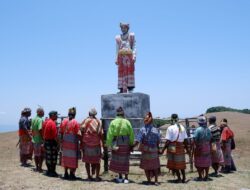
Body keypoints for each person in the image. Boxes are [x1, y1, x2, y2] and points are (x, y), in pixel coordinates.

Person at [106, 107, 134, 183]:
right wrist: (131, 144)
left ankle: (120, 177)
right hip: (125, 143)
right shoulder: (127, 122)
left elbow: (110, 134)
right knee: (125, 160)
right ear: (123, 113)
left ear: (117, 113)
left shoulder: (113, 122)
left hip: (116, 143)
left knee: (118, 159)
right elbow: (131, 134)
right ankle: (126, 178)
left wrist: (108, 144)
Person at [134, 112, 161, 185]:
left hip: (146, 150)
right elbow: (158, 141)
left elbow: (138, 140)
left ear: (145, 121)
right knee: (155, 166)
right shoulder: (156, 130)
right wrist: (158, 149)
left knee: (146, 166)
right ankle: (156, 181)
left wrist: (132, 147)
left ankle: (149, 181)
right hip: (154, 150)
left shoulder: (142, 130)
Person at [161, 114, 189, 183]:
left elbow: (168, 141)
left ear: (171, 119)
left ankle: (179, 178)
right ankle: (184, 178)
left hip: (173, 146)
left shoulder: (170, 128)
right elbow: (185, 140)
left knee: (174, 163)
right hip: (181, 146)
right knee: (181, 163)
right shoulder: (182, 127)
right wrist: (187, 149)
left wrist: (163, 150)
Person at [81, 108, 103, 181]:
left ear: (89, 114)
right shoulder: (98, 121)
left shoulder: (85, 121)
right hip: (96, 144)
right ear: (95, 114)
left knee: (87, 161)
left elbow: (81, 130)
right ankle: (97, 177)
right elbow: (101, 133)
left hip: (87, 144)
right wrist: (103, 142)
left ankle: (89, 177)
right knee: (97, 161)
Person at [115, 22, 136, 93]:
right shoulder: (118, 38)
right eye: (122, 28)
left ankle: (130, 88)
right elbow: (117, 49)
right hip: (121, 58)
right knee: (121, 72)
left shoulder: (131, 36)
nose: (123, 29)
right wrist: (116, 58)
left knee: (129, 72)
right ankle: (121, 88)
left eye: (125, 28)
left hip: (129, 57)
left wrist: (134, 55)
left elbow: (134, 47)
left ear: (127, 28)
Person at [60, 107, 80, 180]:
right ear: (74, 114)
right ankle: (72, 174)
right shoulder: (75, 122)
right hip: (72, 142)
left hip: (65, 141)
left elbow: (61, 132)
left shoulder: (64, 121)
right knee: (72, 158)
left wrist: (62, 141)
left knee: (66, 157)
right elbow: (78, 133)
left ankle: (66, 173)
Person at [193, 116, 212, 181]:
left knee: (198, 162)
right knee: (206, 162)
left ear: (199, 123)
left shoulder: (198, 130)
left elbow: (195, 139)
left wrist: (197, 146)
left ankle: (200, 176)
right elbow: (210, 138)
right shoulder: (208, 129)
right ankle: (206, 176)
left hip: (200, 147)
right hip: (207, 147)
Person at [43, 111, 59, 177]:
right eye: (56, 115)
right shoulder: (52, 123)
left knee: (48, 157)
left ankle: (49, 170)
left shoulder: (46, 122)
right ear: (52, 115)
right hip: (51, 142)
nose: (57, 116)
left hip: (46, 141)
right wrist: (58, 143)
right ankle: (52, 171)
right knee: (53, 157)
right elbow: (55, 136)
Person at [31, 108, 45, 172]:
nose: (43, 113)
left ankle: (37, 167)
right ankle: (40, 168)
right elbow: (40, 129)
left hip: (34, 140)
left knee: (36, 154)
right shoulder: (40, 120)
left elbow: (32, 129)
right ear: (39, 112)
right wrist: (43, 138)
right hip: (39, 140)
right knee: (41, 155)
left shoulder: (33, 119)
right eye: (42, 112)